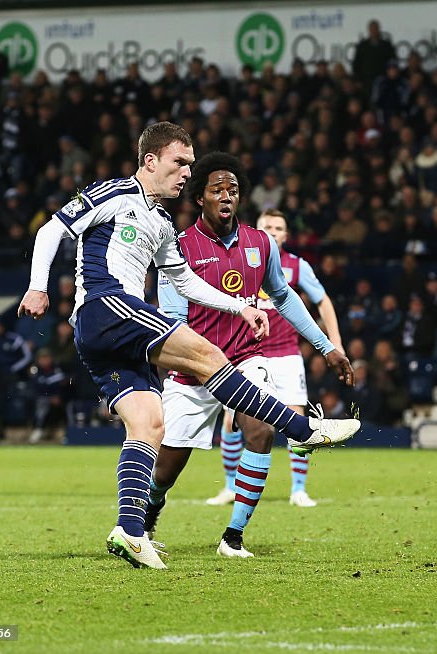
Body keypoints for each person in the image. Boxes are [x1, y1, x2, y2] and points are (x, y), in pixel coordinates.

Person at [17, 123, 360, 570]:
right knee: (211, 358)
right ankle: (303, 430)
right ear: (150, 161)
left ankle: (131, 531)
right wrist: (37, 287)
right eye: (180, 163)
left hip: (108, 337)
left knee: (148, 424)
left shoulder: (161, 222)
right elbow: (50, 231)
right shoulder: (114, 194)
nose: (186, 172)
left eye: (190, 164)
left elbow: (184, 281)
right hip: (106, 307)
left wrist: (239, 308)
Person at [147, 156, 350, 558]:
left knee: (261, 430)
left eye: (233, 190)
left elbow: (284, 297)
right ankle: (149, 514)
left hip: (245, 359)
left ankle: (233, 537)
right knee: (167, 468)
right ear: (200, 197)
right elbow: (172, 319)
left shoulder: (260, 243)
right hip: (194, 369)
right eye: (217, 190)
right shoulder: (179, 247)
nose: (226, 196)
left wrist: (326, 345)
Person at [206, 208, 344, 510]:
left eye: (278, 227)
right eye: (266, 226)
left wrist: (335, 343)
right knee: (232, 421)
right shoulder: (239, 261)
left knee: (295, 415)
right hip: (245, 353)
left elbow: (323, 300)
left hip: (285, 354)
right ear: (256, 229)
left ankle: (298, 489)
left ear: (285, 235)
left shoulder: (296, 266)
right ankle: (230, 486)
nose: (272, 231)